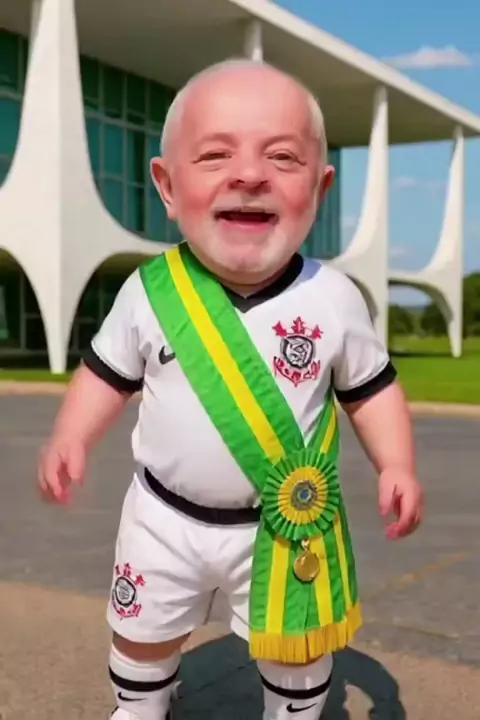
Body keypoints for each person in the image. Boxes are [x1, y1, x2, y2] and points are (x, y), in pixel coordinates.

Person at [37, 58, 424, 720]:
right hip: (163, 517)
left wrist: (398, 463)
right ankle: (140, 706)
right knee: (142, 631)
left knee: (297, 648)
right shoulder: (150, 292)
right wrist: (70, 435)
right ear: (167, 185)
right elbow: (105, 374)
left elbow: (371, 390)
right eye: (215, 155)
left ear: (320, 188)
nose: (249, 175)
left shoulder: (332, 298)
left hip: (283, 528)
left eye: (283, 157)